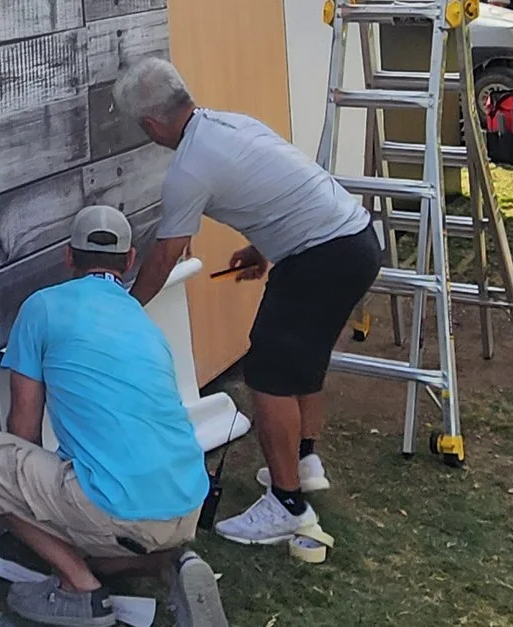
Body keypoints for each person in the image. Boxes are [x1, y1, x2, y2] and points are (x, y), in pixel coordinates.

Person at [112, 58, 383, 548]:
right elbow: (285, 185)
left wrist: (125, 309)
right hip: (355, 239)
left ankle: (287, 506)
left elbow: (164, 257)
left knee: (269, 373)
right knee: (302, 358)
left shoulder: (188, 169)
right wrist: (264, 247)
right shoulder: (232, 124)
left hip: (322, 257)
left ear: (151, 125)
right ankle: (303, 462)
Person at [0, 205, 228, 627]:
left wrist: (34, 500)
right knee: (105, 525)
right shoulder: (141, 318)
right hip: (188, 500)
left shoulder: (42, 307)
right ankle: (169, 562)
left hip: (118, 509)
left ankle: (80, 589)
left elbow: (22, 428)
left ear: (68, 256)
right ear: (130, 260)